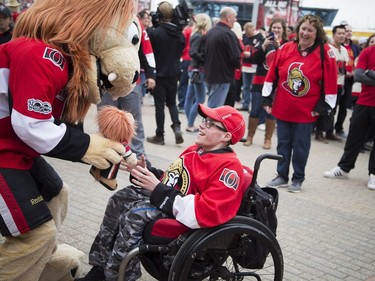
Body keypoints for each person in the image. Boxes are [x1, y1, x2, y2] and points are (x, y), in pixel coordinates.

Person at [77, 104, 248, 281]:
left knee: (134, 215)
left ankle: (118, 277)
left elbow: (207, 210)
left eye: (210, 124)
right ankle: (100, 267)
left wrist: (157, 188)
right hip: (171, 201)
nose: (201, 125)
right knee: (118, 199)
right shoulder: (195, 150)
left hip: (187, 217)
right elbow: (174, 180)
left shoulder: (229, 168)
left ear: (226, 136)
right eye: (204, 120)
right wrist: (146, 172)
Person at [262, 14, 337, 193]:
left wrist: (326, 105)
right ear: (297, 30)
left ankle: (298, 178)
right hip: (284, 106)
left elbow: (331, 81)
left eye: (310, 30)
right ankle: (281, 175)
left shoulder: (325, 51)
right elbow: (272, 74)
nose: (305, 33)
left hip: (307, 111)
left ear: (317, 33)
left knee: (301, 146)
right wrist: (267, 97)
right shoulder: (286, 48)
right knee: (283, 143)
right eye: (303, 29)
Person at [98, 16, 156, 163]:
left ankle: (138, 153)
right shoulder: (102, 17)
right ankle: (107, 151)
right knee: (106, 118)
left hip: (131, 80)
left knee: (134, 118)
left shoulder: (134, 21)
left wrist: (150, 75)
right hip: (106, 80)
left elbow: (145, 49)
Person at [324, 41, 375, 190]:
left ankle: (373, 174)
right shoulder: (368, 52)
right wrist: (367, 73)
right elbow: (358, 76)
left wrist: (369, 73)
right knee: (354, 136)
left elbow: (363, 74)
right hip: (364, 102)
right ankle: (344, 167)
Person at [243, 18, 288, 150]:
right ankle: (250, 136)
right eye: (274, 27)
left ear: (283, 30)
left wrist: (279, 47)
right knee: (255, 108)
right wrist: (263, 46)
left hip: (276, 82)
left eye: (279, 28)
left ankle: (267, 139)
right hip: (260, 80)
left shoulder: (287, 44)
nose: (276, 30)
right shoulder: (263, 41)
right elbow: (255, 59)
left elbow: (286, 62)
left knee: (271, 111)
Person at [146, 2, 186, 145]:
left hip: (159, 74)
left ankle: (160, 135)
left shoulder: (155, 33)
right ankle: (176, 126)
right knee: (172, 103)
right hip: (174, 73)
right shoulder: (179, 34)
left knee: (159, 105)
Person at [203, 7, 242, 108]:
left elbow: (203, 53)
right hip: (222, 76)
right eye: (234, 17)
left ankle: (208, 123)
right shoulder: (228, 34)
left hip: (210, 74)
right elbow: (235, 57)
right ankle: (208, 124)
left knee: (213, 105)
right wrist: (238, 64)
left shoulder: (211, 32)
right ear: (228, 18)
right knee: (214, 108)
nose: (236, 20)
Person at [315, 24, 349, 142]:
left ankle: (329, 132)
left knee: (334, 110)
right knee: (324, 108)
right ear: (333, 35)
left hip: (340, 85)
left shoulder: (344, 50)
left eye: (343, 33)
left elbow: (344, 68)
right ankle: (319, 132)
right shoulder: (327, 48)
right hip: (328, 85)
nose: (341, 36)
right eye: (339, 33)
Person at [184, 13, 212, 133]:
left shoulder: (197, 34)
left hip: (195, 69)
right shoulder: (199, 35)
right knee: (199, 99)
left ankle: (189, 123)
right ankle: (190, 124)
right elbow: (193, 52)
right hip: (197, 70)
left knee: (190, 97)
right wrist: (205, 59)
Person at [338, 23, 361, 132]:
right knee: (333, 106)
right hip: (337, 80)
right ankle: (325, 130)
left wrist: (354, 72)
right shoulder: (338, 46)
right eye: (346, 31)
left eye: (350, 31)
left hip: (349, 81)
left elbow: (358, 62)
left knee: (344, 106)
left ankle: (339, 128)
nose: (349, 33)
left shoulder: (356, 48)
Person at [236, 22, 263, 112]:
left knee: (253, 87)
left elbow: (259, 50)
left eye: (248, 32)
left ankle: (252, 106)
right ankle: (245, 104)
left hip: (254, 66)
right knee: (245, 86)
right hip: (245, 66)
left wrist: (251, 54)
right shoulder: (245, 37)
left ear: (252, 29)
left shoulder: (260, 37)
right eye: (246, 33)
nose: (247, 35)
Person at [177, 22, 193, 112]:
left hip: (186, 58)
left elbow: (182, 44)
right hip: (195, 60)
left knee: (183, 82)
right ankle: (191, 105)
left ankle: (182, 104)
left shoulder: (187, 31)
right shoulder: (204, 32)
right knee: (194, 84)